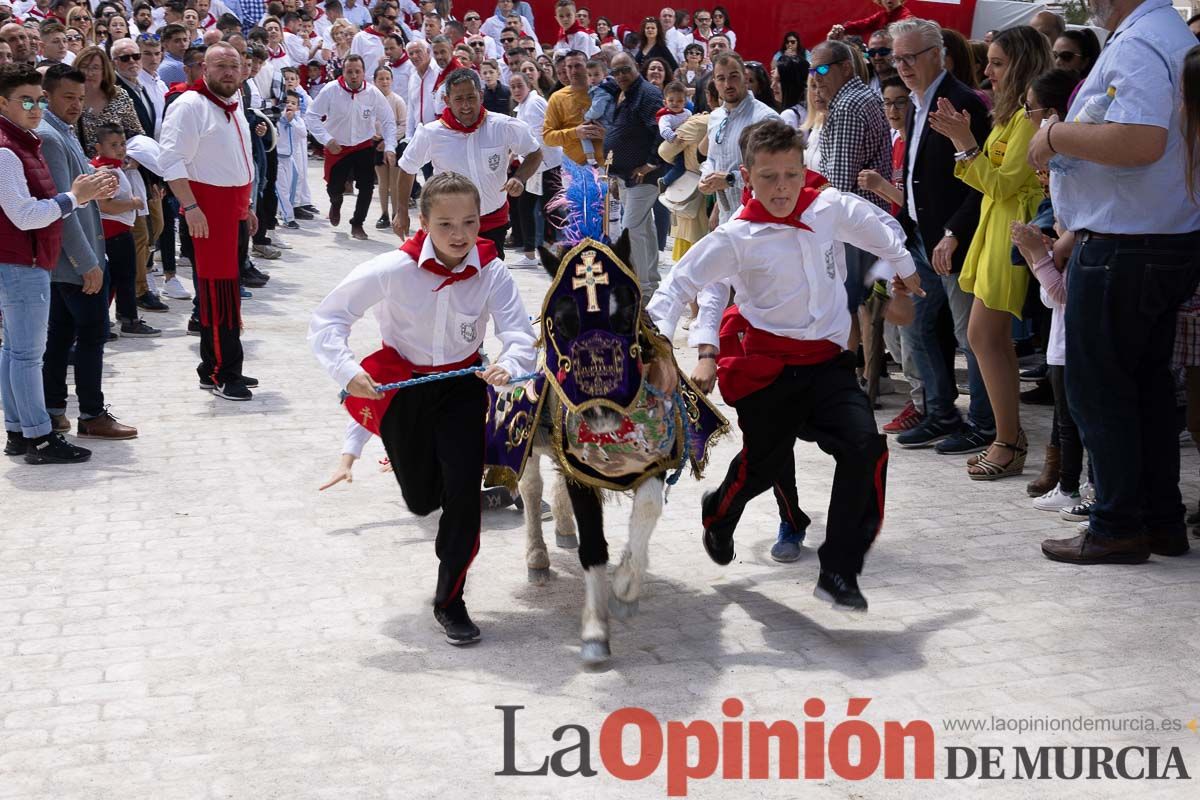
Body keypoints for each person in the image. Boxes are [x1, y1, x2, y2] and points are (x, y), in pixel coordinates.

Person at [647, 119, 923, 611]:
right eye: (769, 176)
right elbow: (679, 286)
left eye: (791, 175)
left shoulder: (827, 207)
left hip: (828, 364)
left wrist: (901, 270)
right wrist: (661, 348)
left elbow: (880, 228)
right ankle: (719, 513)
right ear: (747, 177)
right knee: (764, 465)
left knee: (865, 446)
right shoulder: (737, 237)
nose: (781, 187)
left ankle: (839, 569)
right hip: (767, 369)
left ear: (804, 172)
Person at [309, 172, 537, 645]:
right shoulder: (393, 268)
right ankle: (428, 498)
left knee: (462, 496)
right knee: (420, 498)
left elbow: (518, 333)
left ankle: (450, 600)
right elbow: (329, 318)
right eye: (447, 224)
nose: (460, 235)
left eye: (470, 222)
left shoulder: (492, 268)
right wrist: (345, 369)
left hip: (462, 387)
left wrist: (510, 363)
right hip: (405, 390)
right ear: (422, 221)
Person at [1030, 0, 1200, 564]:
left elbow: (1140, 140)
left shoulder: (1137, 42)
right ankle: (1156, 521)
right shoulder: (1163, 33)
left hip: (1127, 244)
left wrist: (1055, 136)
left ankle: (1119, 524)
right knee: (1144, 391)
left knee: (1102, 391)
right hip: (1158, 238)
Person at [928, 25, 1048, 480]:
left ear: (1020, 64)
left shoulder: (1028, 117)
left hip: (1011, 230)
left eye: (997, 63)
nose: (988, 71)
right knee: (985, 339)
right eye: (989, 62)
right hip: (994, 228)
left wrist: (964, 143)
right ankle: (1007, 436)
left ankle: (1008, 439)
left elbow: (1000, 183)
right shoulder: (1009, 114)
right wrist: (967, 147)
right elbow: (986, 183)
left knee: (984, 337)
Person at [886, 18, 994, 451]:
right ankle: (941, 414)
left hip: (956, 241)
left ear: (938, 55)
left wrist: (952, 232)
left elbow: (980, 181)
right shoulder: (915, 102)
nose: (903, 66)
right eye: (898, 58)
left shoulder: (963, 101)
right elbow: (914, 173)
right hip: (919, 238)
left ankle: (985, 425)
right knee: (918, 329)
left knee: (974, 338)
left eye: (911, 57)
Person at [1, 63, 116, 463]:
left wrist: (81, 193)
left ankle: (20, 431)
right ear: (3, 103)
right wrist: (75, 197)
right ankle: (39, 437)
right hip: (23, 262)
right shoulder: (8, 149)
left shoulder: (24, 142)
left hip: (28, 261)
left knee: (17, 352)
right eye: (25, 101)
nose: (35, 108)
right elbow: (24, 215)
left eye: (38, 100)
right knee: (28, 355)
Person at [159, 42, 258, 401]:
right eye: (220, 65)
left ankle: (221, 365)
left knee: (229, 292)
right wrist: (191, 206)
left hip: (233, 206)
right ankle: (220, 373)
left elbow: (238, 158)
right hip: (208, 208)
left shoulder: (236, 102)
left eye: (234, 65)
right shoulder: (189, 105)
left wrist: (246, 206)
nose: (229, 72)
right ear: (204, 68)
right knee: (216, 293)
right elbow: (170, 160)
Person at [393, 67, 540, 258]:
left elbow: (534, 152)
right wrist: (402, 211)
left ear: (481, 95)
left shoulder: (502, 126)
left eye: (471, 98)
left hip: (493, 221)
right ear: (447, 101)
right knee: (452, 278)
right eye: (458, 99)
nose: (466, 106)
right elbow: (407, 168)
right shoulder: (431, 133)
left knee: (487, 277)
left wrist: (520, 178)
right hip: (451, 224)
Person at [304, 53, 396, 240]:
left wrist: (390, 147)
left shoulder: (372, 93)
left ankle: (358, 223)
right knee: (334, 188)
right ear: (343, 72)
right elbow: (311, 116)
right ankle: (335, 203)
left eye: (357, 72)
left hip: (363, 145)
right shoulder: (330, 90)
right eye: (349, 72)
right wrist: (327, 139)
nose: (353, 76)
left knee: (366, 186)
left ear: (364, 73)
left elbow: (388, 121)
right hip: (337, 147)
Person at [89, 121, 160, 340]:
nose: (120, 149)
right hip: (114, 231)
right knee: (124, 277)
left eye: (122, 144)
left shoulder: (110, 168)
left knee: (115, 279)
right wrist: (134, 203)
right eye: (113, 145)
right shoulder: (108, 173)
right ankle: (128, 320)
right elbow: (105, 205)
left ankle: (106, 321)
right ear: (99, 148)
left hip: (113, 231)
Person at [602, 52, 663, 295]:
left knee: (631, 229)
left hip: (644, 175)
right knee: (643, 229)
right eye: (615, 72)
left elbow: (661, 130)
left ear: (636, 66)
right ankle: (651, 282)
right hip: (626, 175)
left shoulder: (648, 94)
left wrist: (651, 163)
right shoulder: (623, 93)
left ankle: (644, 289)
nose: (620, 76)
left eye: (625, 69)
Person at [701, 52, 779, 225]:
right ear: (714, 82)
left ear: (745, 77)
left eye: (733, 76)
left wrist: (730, 179)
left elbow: (776, 172)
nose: (727, 84)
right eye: (721, 78)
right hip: (725, 219)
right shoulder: (716, 117)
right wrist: (706, 177)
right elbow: (712, 159)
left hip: (760, 220)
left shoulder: (765, 118)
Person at [509, 68, 561, 266]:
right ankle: (530, 253)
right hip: (533, 165)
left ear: (528, 85)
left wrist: (529, 157)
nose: (516, 90)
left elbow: (542, 132)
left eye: (519, 86)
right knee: (526, 206)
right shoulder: (521, 107)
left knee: (551, 208)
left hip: (546, 163)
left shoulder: (535, 102)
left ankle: (554, 248)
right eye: (512, 87)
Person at [541, 48, 590, 166]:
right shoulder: (557, 98)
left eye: (578, 66)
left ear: (587, 66)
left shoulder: (604, 91)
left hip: (608, 163)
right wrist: (575, 133)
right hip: (575, 168)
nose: (573, 71)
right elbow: (548, 137)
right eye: (569, 67)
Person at [371, 64, 405, 229]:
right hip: (377, 144)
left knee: (394, 182)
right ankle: (384, 213)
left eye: (387, 78)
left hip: (394, 144)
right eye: (380, 79)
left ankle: (395, 213)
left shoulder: (397, 100)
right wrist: (374, 135)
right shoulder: (371, 100)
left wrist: (388, 140)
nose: (384, 82)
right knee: (383, 182)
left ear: (391, 80)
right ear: (374, 81)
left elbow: (403, 125)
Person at [580, 57, 614, 166]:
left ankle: (591, 160)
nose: (592, 78)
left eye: (596, 74)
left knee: (583, 132)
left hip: (606, 122)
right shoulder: (608, 84)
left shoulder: (601, 90)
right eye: (589, 75)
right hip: (608, 120)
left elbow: (597, 111)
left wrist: (586, 116)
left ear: (603, 74)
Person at [656, 80, 690, 190]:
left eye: (679, 100)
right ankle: (665, 181)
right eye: (671, 100)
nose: (675, 103)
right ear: (665, 102)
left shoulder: (687, 113)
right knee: (681, 166)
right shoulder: (666, 117)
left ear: (685, 102)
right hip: (674, 147)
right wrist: (674, 137)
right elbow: (664, 130)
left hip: (687, 145)